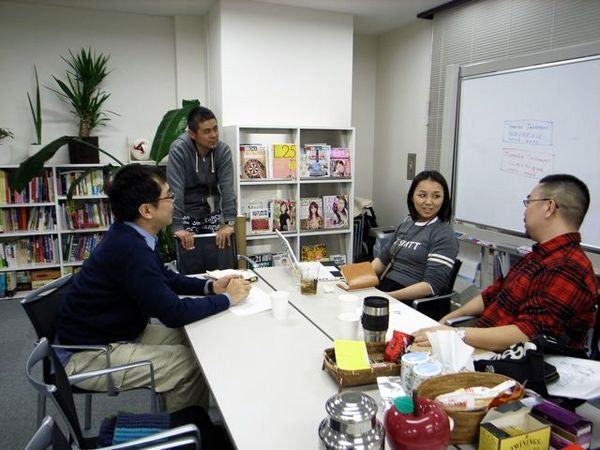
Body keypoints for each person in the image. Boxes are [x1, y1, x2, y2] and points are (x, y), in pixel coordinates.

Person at [56, 164, 252, 413]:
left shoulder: (130, 233)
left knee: (199, 337)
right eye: (169, 196)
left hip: (116, 332)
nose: (174, 201)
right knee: (189, 364)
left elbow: (165, 277)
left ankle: (190, 417)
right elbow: (173, 313)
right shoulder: (131, 249)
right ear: (147, 210)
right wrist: (227, 298)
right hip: (86, 355)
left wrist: (211, 287)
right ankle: (188, 427)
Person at [414, 174, 597, 352]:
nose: (525, 210)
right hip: (481, 346)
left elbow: (527, 334)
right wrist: (446, 321)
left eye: (529, 202)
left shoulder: (568, 267)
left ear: (549, 207)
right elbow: (492, 294)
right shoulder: (538, 256)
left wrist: (454, 334)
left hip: (505, 360)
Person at [372, 170, 459, 302]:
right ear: (412, 197)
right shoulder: (407, 224)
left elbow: (431, 286)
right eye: (422, 195)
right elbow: (381, 261)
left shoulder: (444, 234)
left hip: (410, 300)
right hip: (386, 290)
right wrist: (355, 279)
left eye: (436, 196)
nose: (429, 202)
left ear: (444, 199)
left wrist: (388, 297)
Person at [167, 106, 237, 250]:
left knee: (217, 254)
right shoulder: (179, 149)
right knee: (191, 257)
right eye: (206, 131)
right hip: (185, 212)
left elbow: (227, 188)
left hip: (212, 210)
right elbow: (175, 190)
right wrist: (177, 227)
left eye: (215, 129)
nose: (213, 135)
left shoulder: (222, 150)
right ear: (192, 134)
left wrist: (229, 223)